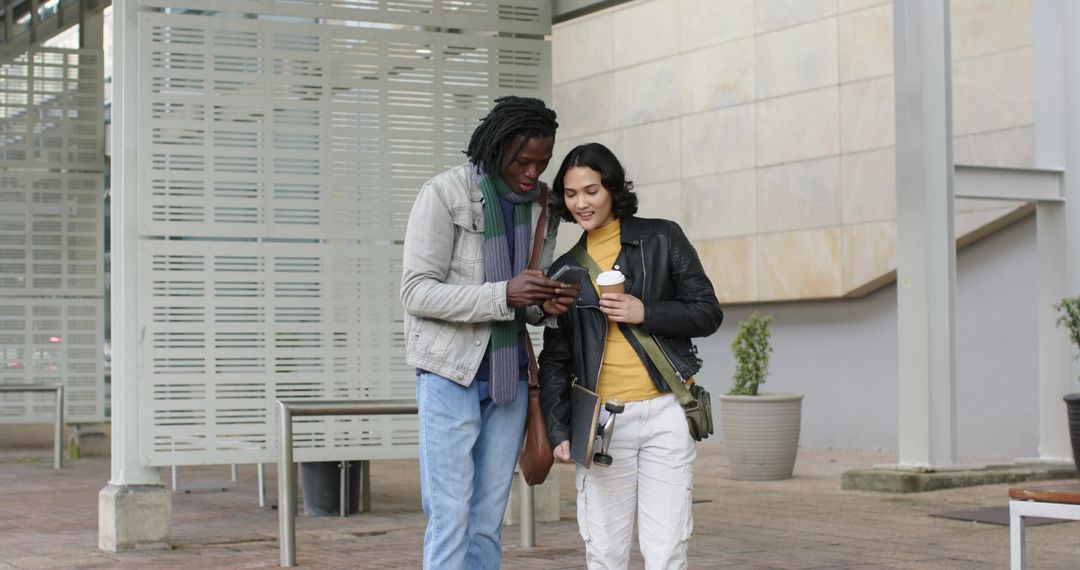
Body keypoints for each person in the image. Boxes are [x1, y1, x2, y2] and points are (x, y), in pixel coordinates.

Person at [400, 96, 580, 570]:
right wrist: (504, 294)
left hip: (510, 379)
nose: (532, 172)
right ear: (499, 146)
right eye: (523, 160)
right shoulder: (444, 194)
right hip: (449, 373)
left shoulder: (544, 207)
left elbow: (529, 300)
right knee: (450, 515)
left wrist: (545, 303)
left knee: (486, 520)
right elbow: (416, 293)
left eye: (542, 162)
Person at [538, 142, 723, 570]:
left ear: (613, 189)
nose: (581, 203)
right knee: (605, 553)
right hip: (603, 421)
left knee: (667, 550)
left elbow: (707, 311)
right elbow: (556, 359)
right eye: (570, 194)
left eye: (591, 190)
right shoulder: (565, 271)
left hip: (665, 414)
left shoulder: (662, 237)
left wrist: (647, 311)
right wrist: (560, 426)